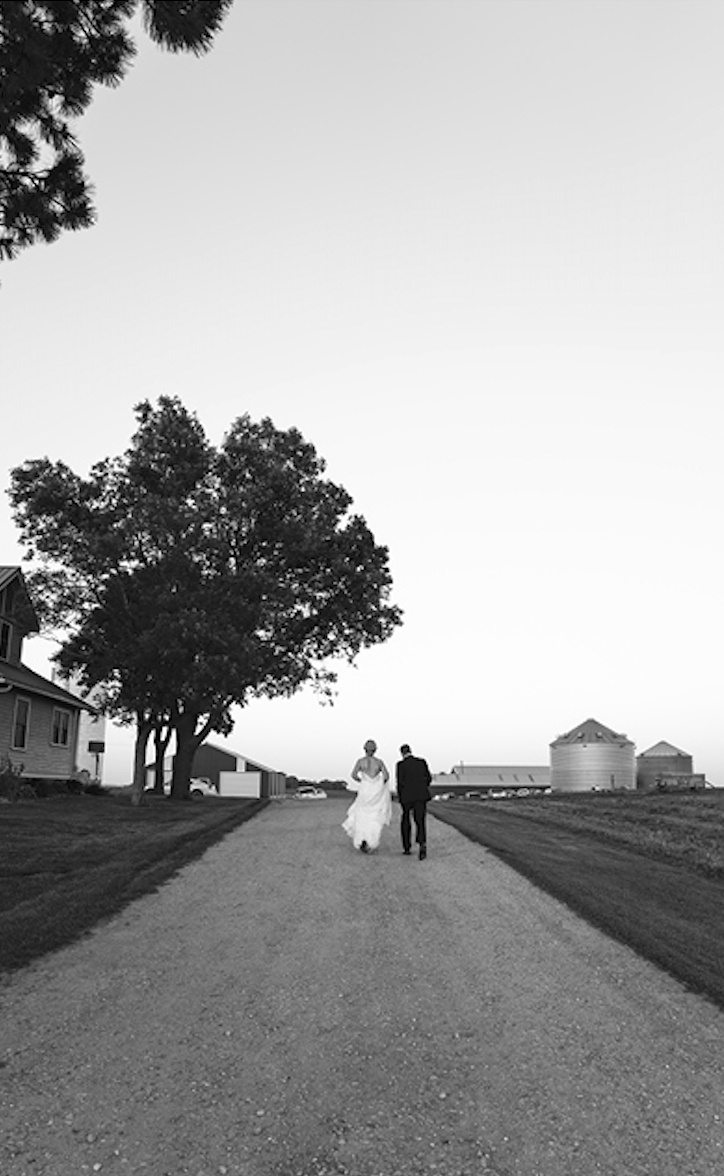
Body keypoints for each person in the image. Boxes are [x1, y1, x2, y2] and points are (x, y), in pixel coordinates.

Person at [342, 739, 392, 854]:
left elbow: (353, 775)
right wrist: (378, 784)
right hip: (375, 791)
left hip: (365, 790)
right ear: (375, 750)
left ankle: (361, 839)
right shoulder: (379, 762)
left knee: (362, 815)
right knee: (374, 816)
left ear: (364, 749)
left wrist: (363, 781)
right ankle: (371, 841)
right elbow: (386, 776)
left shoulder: (360, 761)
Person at [395, 743, 432, 860]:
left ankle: (407, 847)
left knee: (406, 820)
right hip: (420, 795)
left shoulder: (401, 765)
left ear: (402, 753)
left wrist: (400, 797)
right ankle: (422, 844)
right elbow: (429, 778)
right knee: (420, 820)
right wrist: (422, 787)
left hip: (407, 796)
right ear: (410, 751)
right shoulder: (421, 762)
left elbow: (400, 782)